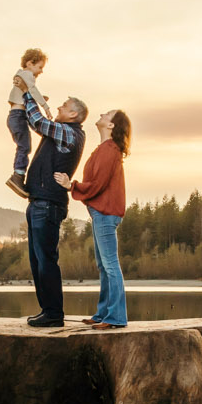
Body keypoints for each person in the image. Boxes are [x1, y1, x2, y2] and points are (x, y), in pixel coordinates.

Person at [58, 108, 131, 329]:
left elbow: (97, 184)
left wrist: (72, 186)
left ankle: (116, 317)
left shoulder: (110, 150)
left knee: (110, 265)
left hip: (106, 215)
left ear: (111, 126)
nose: (102, 114)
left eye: (107, 114)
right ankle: (103, 313)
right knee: (103, 265)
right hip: (101, 214)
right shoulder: (103, 149)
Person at [20, 93, 87, 328]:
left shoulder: (70, 132)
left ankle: (54, 313)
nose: (59, 106)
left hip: (48, 204)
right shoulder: (62, 131)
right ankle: (48, 311)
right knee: (38, 261)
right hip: (40, 201)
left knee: (46, 260)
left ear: (74, 114)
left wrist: (28, 94)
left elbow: (38, 122)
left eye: (65, 106)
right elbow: (35, 122)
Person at [3, 48, 51, 200]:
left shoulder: (22, 75)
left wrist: (39, 98)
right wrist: (45, 106)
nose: (41, 71)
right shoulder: (26, 75)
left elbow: (28, 94)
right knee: (24, 146)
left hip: (18, 115)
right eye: (40, 67)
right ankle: (18, 176)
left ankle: (20, 175)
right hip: (18, 115)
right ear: (30, 63)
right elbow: (33, 90)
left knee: (29, 142)